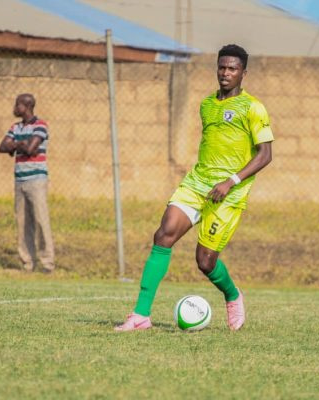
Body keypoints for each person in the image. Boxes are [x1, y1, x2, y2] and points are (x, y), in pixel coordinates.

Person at [115, 44, 274, 332]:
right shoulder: (207, 104)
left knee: (205, 261)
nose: (226, 73)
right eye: (222, 67)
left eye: (233, 69)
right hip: (197, 183)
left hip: (230, 192)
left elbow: (265, 154)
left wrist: (231, 181)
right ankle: (140, 316)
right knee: (163, 235)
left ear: (244, 73)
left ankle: (232, 294)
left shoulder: (253, 107)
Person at [0, 94, 55, 273]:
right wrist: (21, 143)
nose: (15, 108)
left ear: (27, 106)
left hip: (37, 180)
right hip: (20, 180)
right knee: (22, 223)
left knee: (40, 220)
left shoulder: (41, 125)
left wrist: (15, 145)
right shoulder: (16, 127)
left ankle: (47, 263)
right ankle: (27, 263)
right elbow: (1, 147)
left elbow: (31, 149)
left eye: (18, 105)